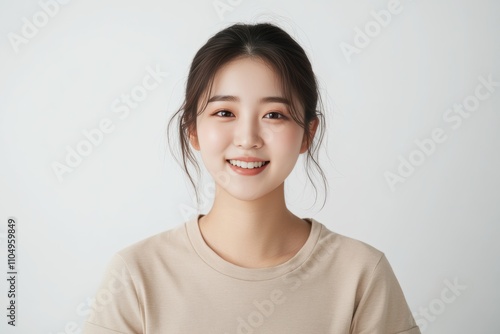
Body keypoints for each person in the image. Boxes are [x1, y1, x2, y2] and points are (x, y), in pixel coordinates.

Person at [82, 22, 421, 334]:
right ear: (193, 131)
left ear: (307, 134)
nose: (247, 138)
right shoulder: (136, 275)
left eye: (274, 114)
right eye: (224, 113)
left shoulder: (361, 274)